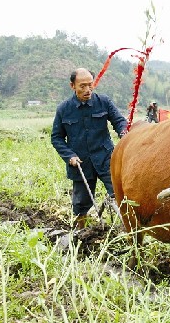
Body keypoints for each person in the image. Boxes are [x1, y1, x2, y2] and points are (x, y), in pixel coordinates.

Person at [51, 68, 128, 229]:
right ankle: (82, 232)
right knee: (81, 204)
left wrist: (124, 133)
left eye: (90, 85)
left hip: (106, 158)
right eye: (82, 86)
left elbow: (119, 121)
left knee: (120, 194)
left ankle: (128, 229)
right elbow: (56, 138)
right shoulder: (64, 109)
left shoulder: (104, 102)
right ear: (72, 86)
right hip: (80, 162)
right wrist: (69, 156)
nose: (88, 90)